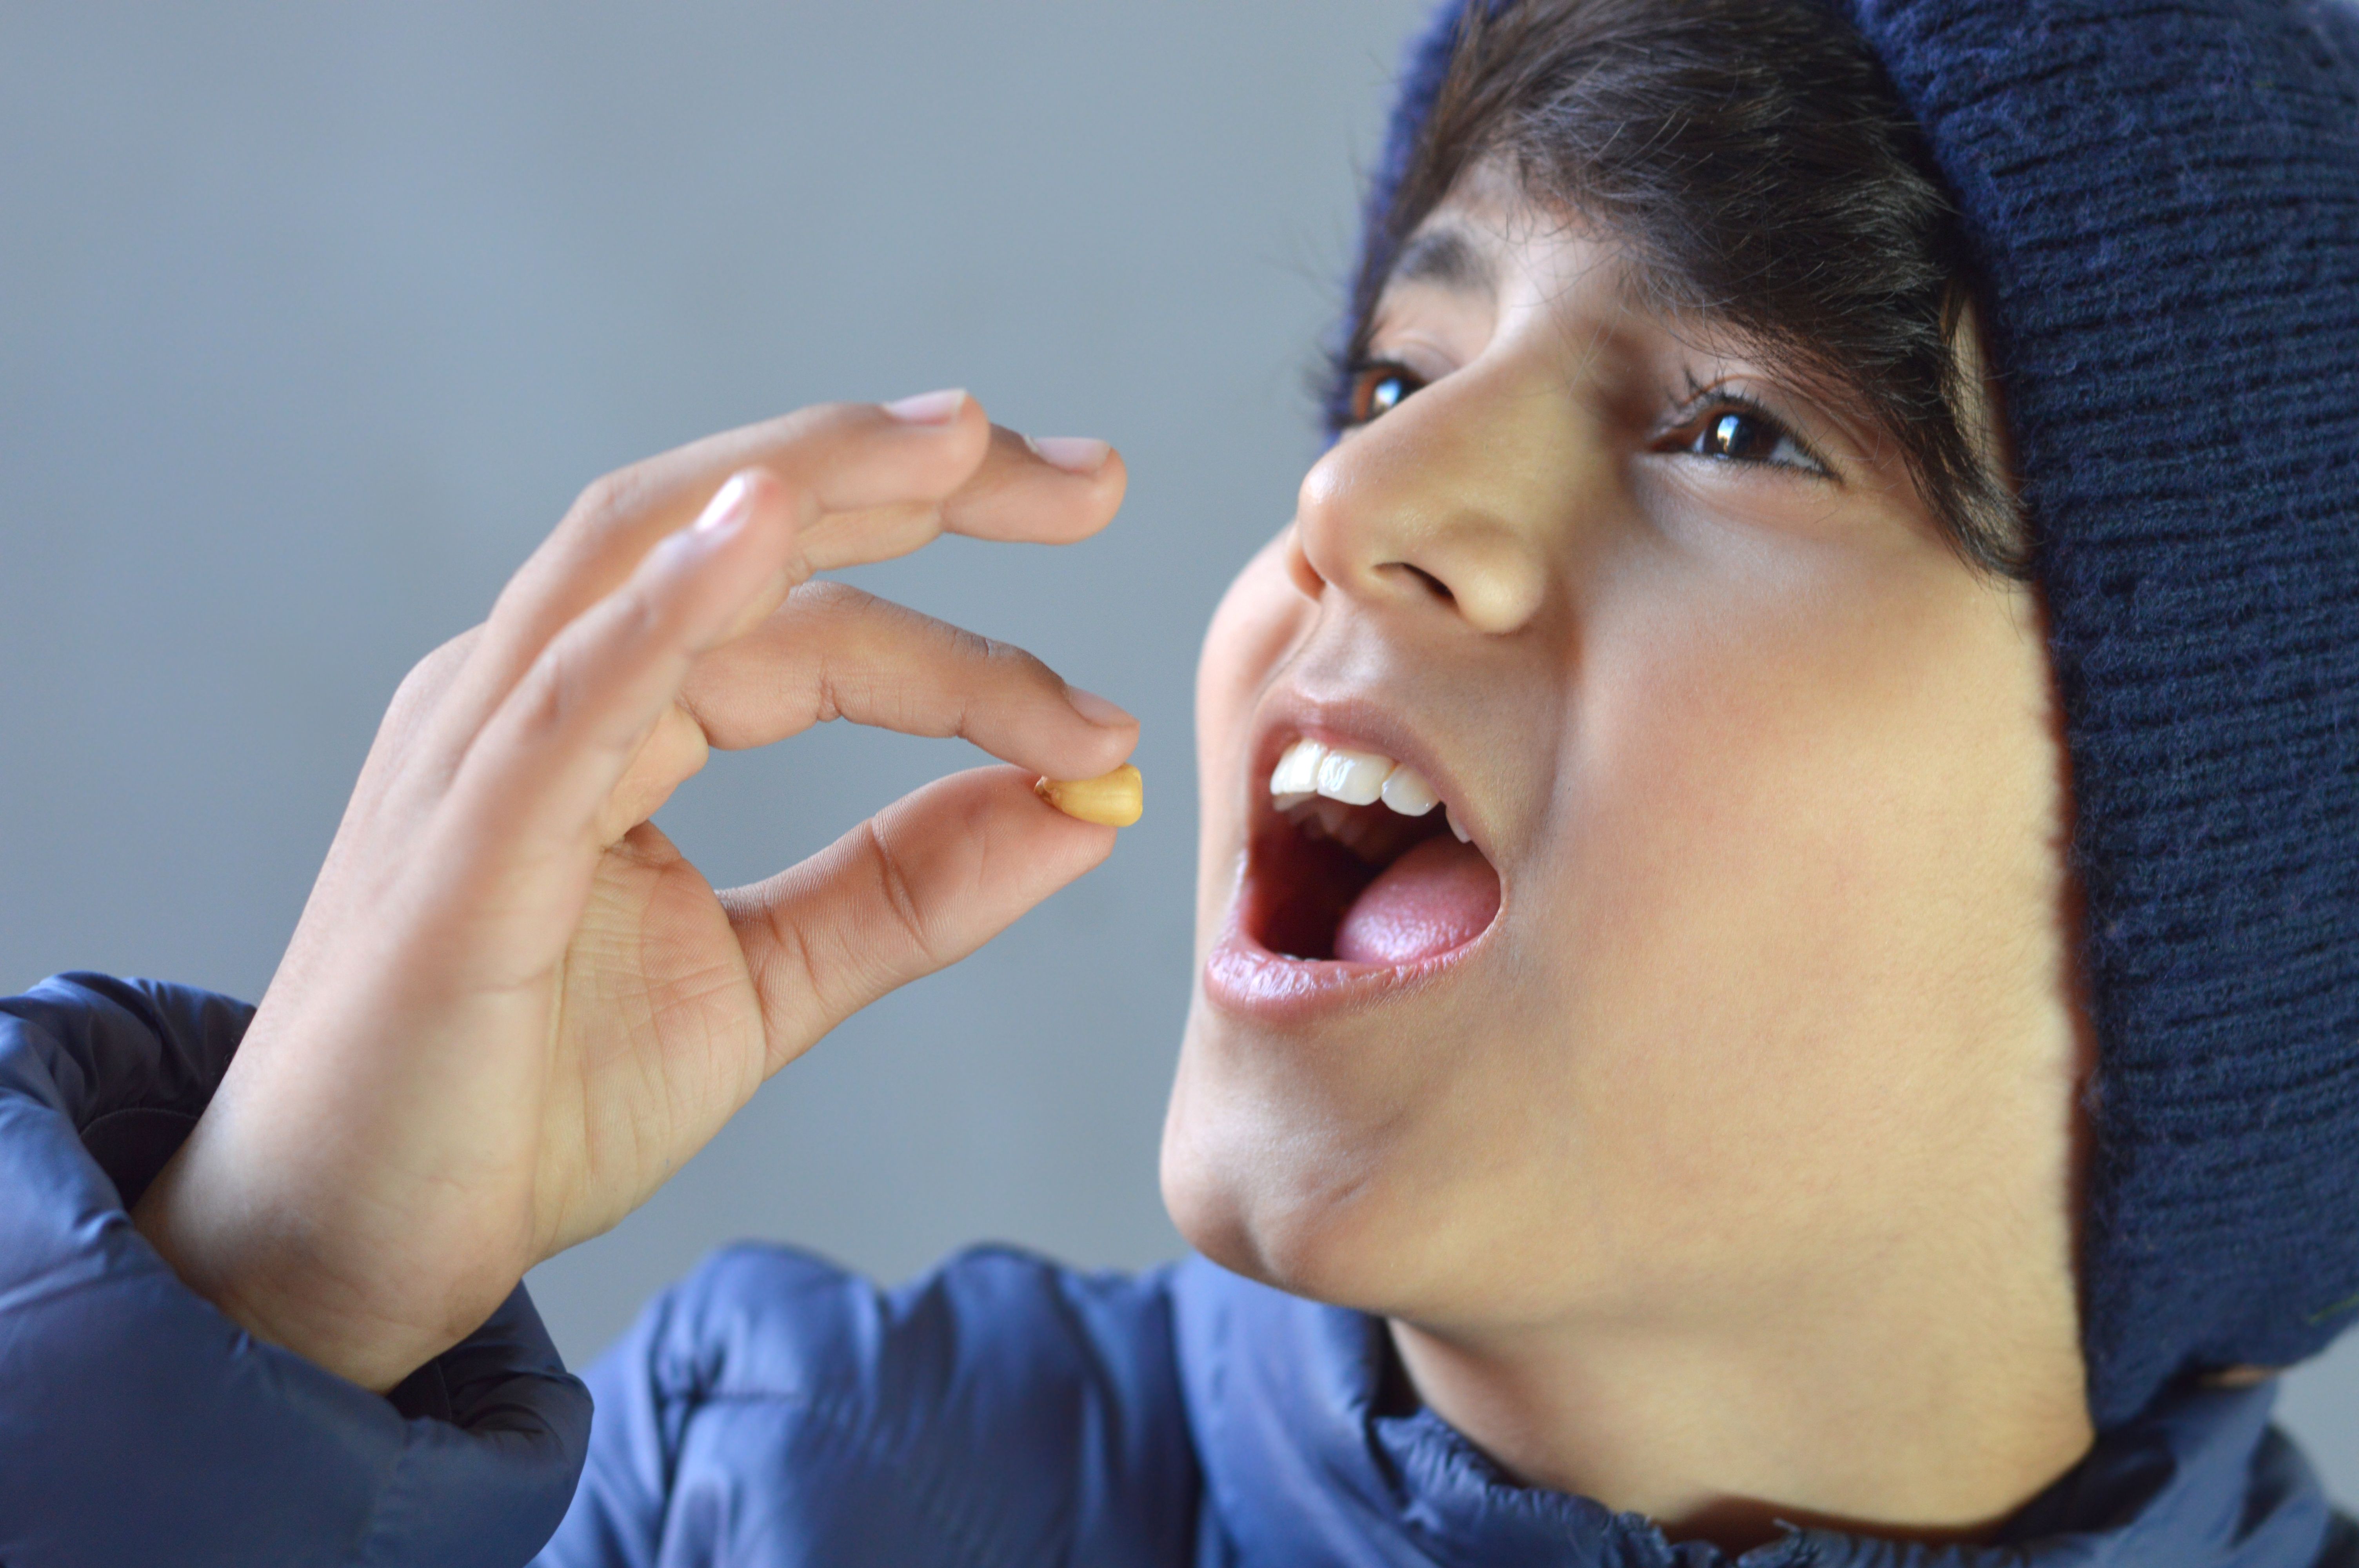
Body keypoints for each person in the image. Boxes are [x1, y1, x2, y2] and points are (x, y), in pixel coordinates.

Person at [4, 0, 2356, 1563]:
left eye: (1737, 429)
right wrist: (275, 1298)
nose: (1357, 496)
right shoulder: (778, 1500)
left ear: (2241, 941)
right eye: (1397, 373)